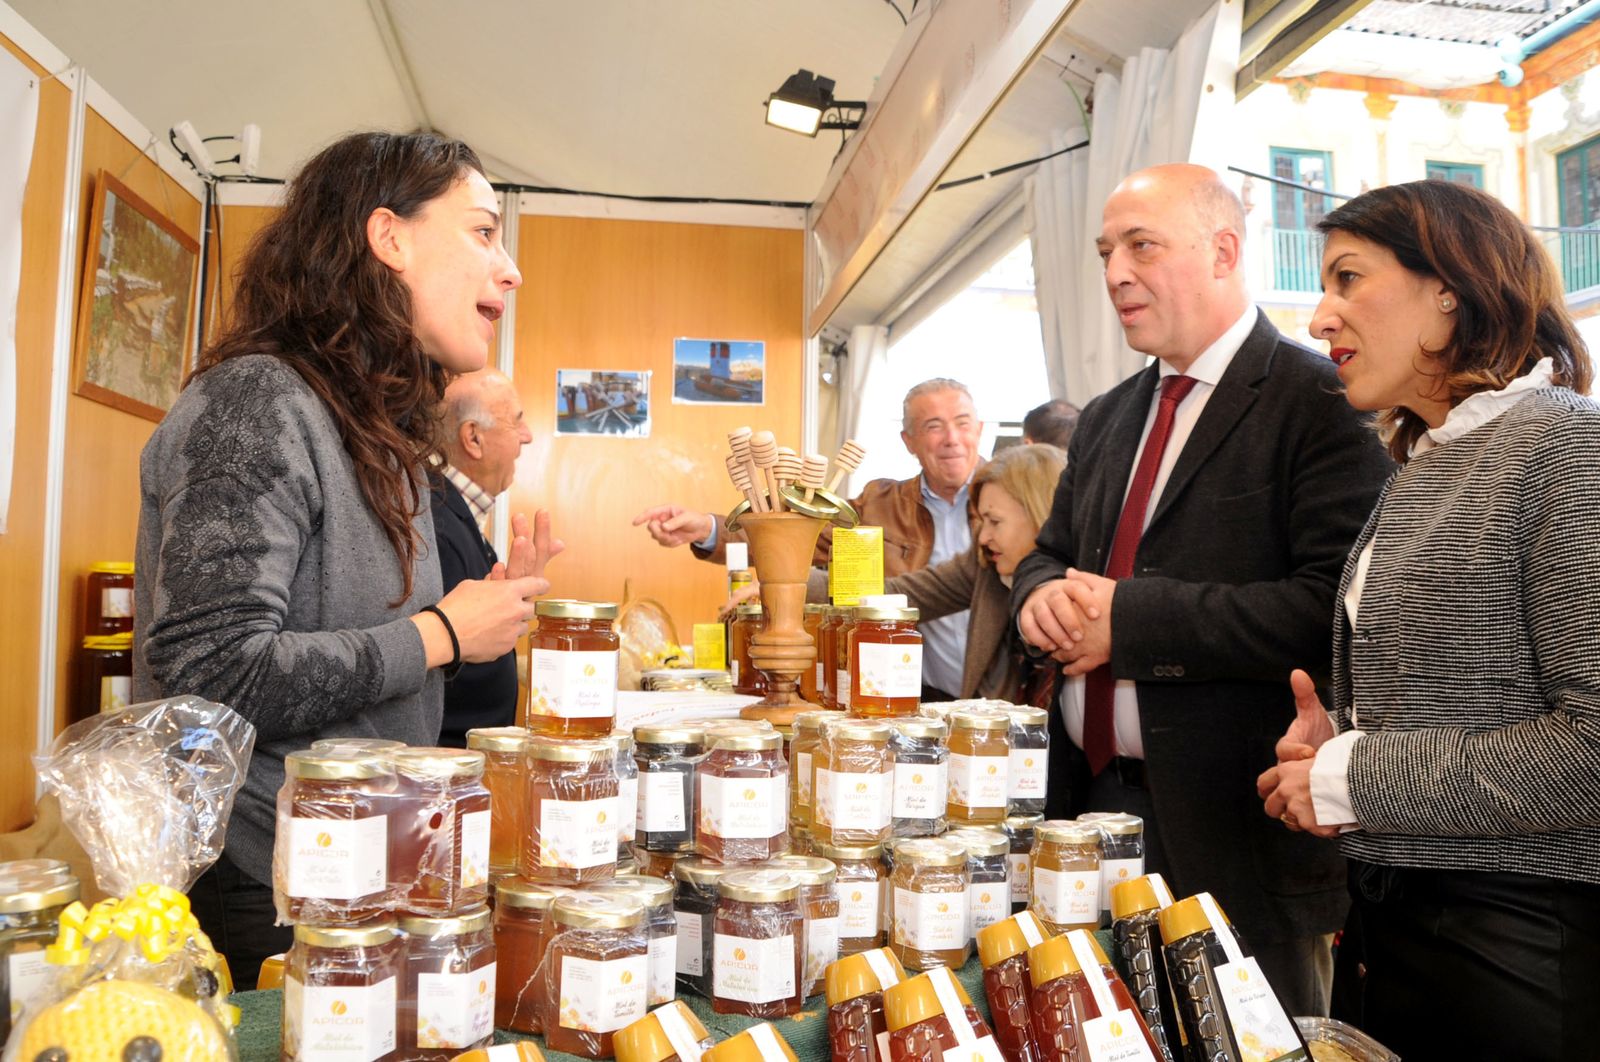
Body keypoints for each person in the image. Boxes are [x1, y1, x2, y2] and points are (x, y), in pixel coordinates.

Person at [133, 132, 557, 989]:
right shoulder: (257, 400)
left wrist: (474, 615)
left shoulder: (377, 428)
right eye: (482, 232)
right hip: (268, 884)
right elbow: (211, 670)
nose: (509, 270)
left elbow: (357, 636)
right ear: (388, 238)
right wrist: (441, 633)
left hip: (370, 864)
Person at [1010, 163, 1393, 1017]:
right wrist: (1040, 598)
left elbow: (1335, 606)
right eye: (1106, 251)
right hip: (1089, 815)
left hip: (1240, 832)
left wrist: (1129, 623)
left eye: (1141, 245)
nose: (1114, 272)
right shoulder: (1108, 416)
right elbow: (1048, 555)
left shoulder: (1324, 399)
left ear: (1224, 250)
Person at [1256, 180, 1600, 1059]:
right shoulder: (1429, 458)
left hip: (1519, 952)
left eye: (1347, 278)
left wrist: (1356, 777)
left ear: (1450, 289)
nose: (1319, 317)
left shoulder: (1566, 448)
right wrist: (1348, 740)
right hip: (1407, 930)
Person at [634, 378, 984, 702]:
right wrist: (707, 528)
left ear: (980, 430)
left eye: (963, 423)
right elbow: (792, 539)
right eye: (933, 427)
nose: (951, 438)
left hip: (999, 695)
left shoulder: (1009, 502)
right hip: (904, 691)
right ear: (909, 441)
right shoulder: (880, 504)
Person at [883, 443, 1065, 702]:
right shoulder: (987, 565)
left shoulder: (1089, 581)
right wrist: (802, 581)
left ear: (1040, 516)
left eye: (995, 521)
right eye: (982, 521)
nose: (984, 537)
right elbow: (900, 594)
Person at [431, 367, 543, 747]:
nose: (527, 437)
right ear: (474, 438)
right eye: (517, 422)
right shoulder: (436, 523)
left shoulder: (454, 511)